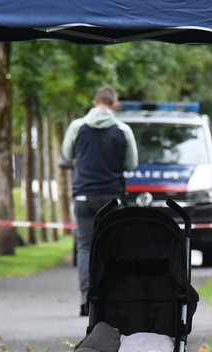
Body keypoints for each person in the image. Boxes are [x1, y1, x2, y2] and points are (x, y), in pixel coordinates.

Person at [62, 85, 138, 316]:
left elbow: (67, 155)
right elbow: (131, 164)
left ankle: (87, 298)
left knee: (85, 247)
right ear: (114, 105)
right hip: (112, 199)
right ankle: (109, 299)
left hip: (84, 196)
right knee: (112, 247)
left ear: (95, 103)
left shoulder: (77, 126)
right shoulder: (123, 130)